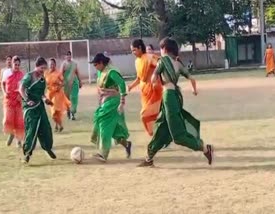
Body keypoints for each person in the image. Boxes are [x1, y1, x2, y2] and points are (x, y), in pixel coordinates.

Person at [138, 37, 214, 167]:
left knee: (178, 136)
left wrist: (155, 83)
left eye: (161, 48)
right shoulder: (178, 63)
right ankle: (149, 158)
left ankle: (205, 148)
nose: (160, 51)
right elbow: (192, 79)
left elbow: (153, 77)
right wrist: (194, 91)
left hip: (168, 97)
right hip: (175, 97)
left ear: (165, 49)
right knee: (163, 128)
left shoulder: (163, 61)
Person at [89, 53, 132, 162]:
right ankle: (126, 144)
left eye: (95, 65)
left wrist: (122, 102)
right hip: (105, 101)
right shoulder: (100, 71)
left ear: (101, 63)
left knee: (104, 124)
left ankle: (103, 153)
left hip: (113, 101)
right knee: (112, 128)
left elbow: (122, 84)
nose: (95, 67)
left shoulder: (111, 72)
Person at [19, 57, 56, 163]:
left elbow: (42, 94)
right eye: (41, 68)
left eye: (45, 68)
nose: (43, 70)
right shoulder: (29, 76)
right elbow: (21, 88)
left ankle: (48, 148)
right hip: (30, 108)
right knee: (32, 131)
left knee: (46, 129)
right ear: (36, 66)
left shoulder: (42, 78)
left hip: (40, 107)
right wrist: (27, 100)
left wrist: (45, 100)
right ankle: (27, 154)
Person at [129, 39, 163, 136]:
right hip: (145, 93)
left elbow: (161, 63)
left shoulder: (149, 57)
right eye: (132, 51)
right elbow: (140, 78)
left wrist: (155, 75)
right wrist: (131, 86)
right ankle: (158, 135)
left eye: (134, 50)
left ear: (140, 48)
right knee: (151, 117)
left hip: (154, 92)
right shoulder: (137, 62)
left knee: (144, 116)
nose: (133, 53)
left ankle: (153, 135)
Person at [2, 56, 25, 148]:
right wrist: (4, 93)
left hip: (17, 100)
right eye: (15, 64)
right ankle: (11, 133)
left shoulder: (21, 74)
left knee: (19, 121)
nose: (17, 66)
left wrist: (20, 96)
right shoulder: (6, 72)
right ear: (12, 63)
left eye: (18, 65)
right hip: (8, 99)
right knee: (7, 120)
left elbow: (23, 87)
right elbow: (3, 84)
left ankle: (18, 141)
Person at [45, 58, 71, 132]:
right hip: (50, 94)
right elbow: (44, 82)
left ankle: (60, 125)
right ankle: (57, 125)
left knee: (54, 111)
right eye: (50, 64)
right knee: (55, 112)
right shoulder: (46, 73)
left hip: (57, 93)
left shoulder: (58, 73)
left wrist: (59, 86)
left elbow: (63, 82)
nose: (51, 65)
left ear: (55, 65)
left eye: (53, 64)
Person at [61, 51, 82, 120]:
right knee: (67, 99)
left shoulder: (74, 64)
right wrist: (61, 83)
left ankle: (72, 113)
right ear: (65, 56)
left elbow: (77, 73)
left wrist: (80, 81)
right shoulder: (63, 64)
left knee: (74, 97)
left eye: (69, 55)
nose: (68, 57)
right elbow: (61, 74)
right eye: (67, 55)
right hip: (66, 84)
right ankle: (68, 112)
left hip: (74, 83)